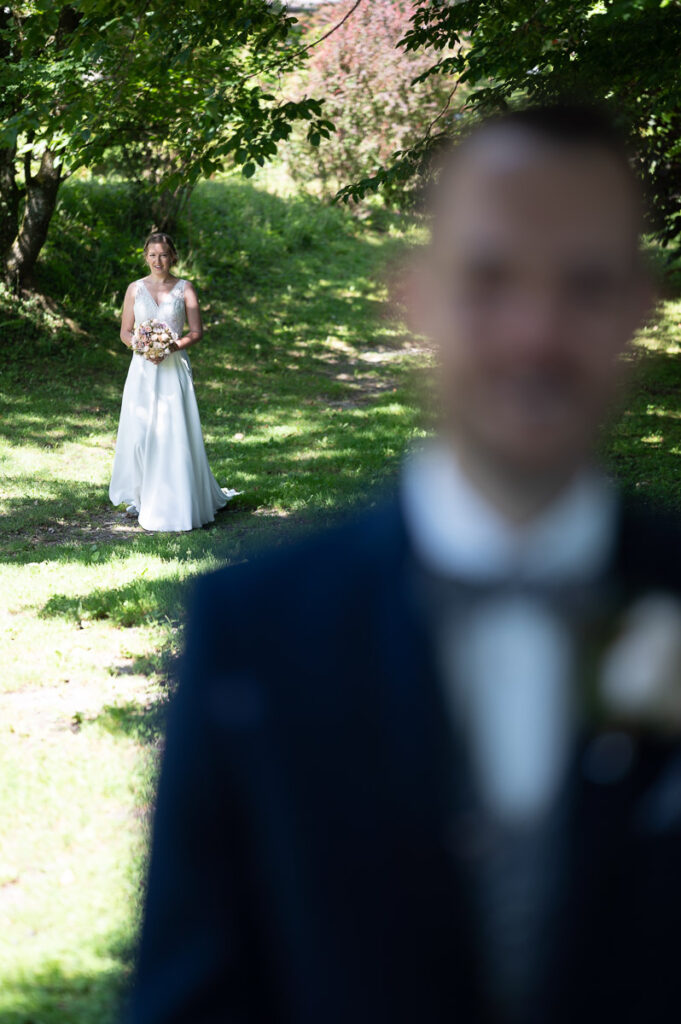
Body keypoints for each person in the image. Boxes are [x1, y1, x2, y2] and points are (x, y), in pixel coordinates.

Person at [129, 107, 681, 1023]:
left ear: (637, 305)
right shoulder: (254, 635)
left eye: (584, 284)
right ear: (412, 297)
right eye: (488, 277)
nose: (534, 332)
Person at [109, 232, 238, 532]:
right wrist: (143, 347)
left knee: (172, 431)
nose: (158, 261)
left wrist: (171, 347)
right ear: (145, 257)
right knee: (141, 433)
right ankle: (143, 494)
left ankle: (177, 499)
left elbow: (196, 332)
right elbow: (125, 331)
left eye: (164, 255)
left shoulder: (185, 289)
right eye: (152, 255)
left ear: (173, 257)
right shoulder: (135, 289)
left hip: (173, 368)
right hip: (142, 370)